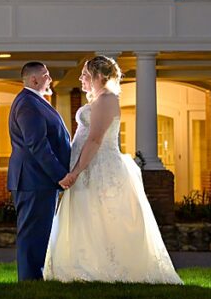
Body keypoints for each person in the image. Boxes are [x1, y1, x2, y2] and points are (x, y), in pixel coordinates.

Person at [43, 56, 181, 284]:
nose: (81, 79)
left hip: (99, 168)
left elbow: (95, 140)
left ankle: (108, 270)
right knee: (86, 216)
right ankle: (82, 266)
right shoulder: (99, 100)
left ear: (99, 76)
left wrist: (76, 172)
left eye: (85, 75)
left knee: (102, 216)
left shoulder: (107, 100)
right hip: (87, 166)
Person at [7, 62, 71, 280]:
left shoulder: (34, 101)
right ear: (34, 80)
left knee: (39, 234)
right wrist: (60, 175)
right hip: (33, 179)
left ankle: (34, 279)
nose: (50, 79)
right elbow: (37, 144)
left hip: (37, 180)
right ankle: (30, 282)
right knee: (32, 235)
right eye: (46, 75)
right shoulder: (28, 104)